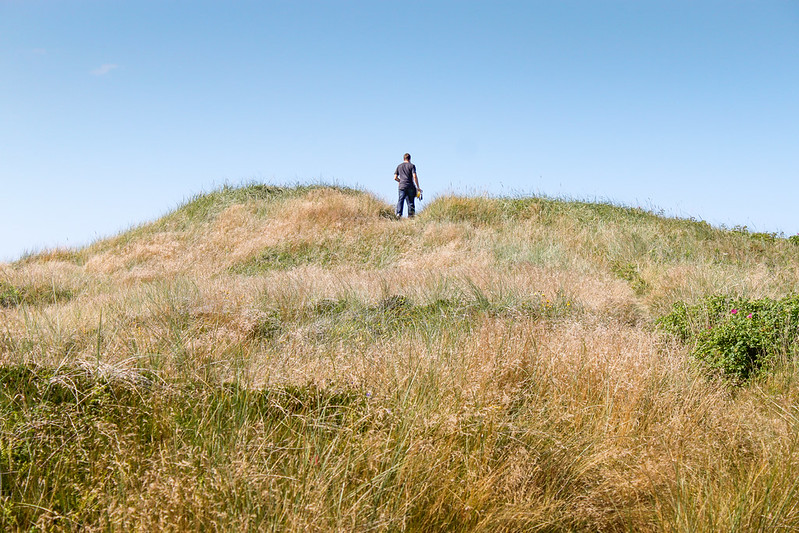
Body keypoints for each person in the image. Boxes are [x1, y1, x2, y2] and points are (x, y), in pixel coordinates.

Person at [393, 153, 421, 218]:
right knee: (411, 202)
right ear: (410, 159)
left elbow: (395, 177)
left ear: (404, 159)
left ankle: (399, 213)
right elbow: (414, 176)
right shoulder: (412, 166)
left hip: (402, 186)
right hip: (410, 186)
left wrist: (400, 181)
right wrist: (418, 187)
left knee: (401, 200)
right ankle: (411, 216)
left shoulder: (399, 166)